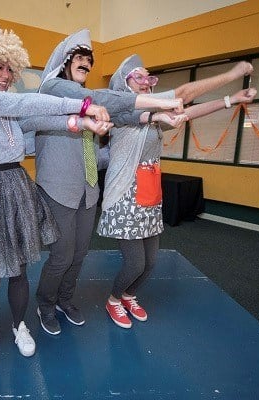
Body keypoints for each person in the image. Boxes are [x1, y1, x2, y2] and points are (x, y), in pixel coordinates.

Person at [0, 25, 111, 359]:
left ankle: (20, 325)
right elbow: (29, 103)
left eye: (9, 69)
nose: (5, 75)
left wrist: (82, 124)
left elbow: (40, 120)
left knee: (18, 271)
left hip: (15, 191)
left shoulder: (6, 109)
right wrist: (83, 107)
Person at [34, 28, 192, 336]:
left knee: (79, 254)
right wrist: (158, 102)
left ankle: (65, 300)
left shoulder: (91, 104)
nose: (86, 64)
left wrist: (117, 157)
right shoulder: (53, 88)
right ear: (66, 61)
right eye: (80, 58)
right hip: (58, 189)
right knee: (62, 255)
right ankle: (45, 304)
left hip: (87, 190)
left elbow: (92, 153)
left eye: (89, 61)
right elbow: (96, 99)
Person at [98, 54, 256, 328]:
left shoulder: (154, 114)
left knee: (150, 263)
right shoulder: (121, 112)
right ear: (123, 84)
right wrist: (233, 74)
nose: (146, 82)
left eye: (149, 77)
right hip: (124, 197)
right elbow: (169, 104)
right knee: (135, 264)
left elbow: (188, 111)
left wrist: (232, 100)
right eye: (139, 77)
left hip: (149, 194)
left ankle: (128, 294)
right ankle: (113, 300)